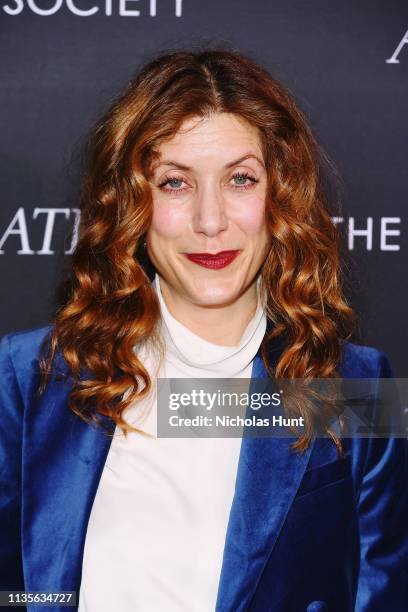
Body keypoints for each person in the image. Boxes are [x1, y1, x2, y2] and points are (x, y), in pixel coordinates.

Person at [0, 48, 406, 612]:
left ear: (279, 195)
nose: (210, 221)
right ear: (130, 203)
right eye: (175, 183)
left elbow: (379, 592)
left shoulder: (353, 384)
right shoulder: (29, 378)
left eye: (240, 179)